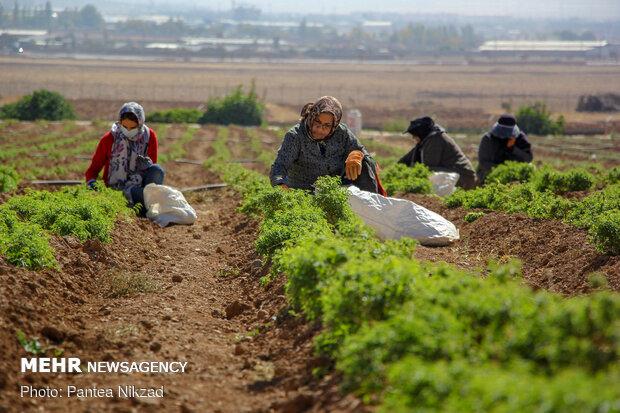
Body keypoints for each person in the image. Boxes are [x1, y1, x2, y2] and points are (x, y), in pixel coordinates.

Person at [270, 96, 386, 195]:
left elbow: (363, 152)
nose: (320, 129)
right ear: (311, 116)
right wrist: (281, 185)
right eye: (317, 122)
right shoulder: (295, 136)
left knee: (364, 164)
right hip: (304, 192)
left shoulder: (342, 133)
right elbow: (279, 166)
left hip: (334, 190)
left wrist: (356, 154)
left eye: (326, 125)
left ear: (334, 125)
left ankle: (369, 207)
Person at [85, 102, 165, 213]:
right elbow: (93, 170)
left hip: (139, 185)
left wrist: (147, 166)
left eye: (133, 127)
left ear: (140, 123)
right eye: (125, 127)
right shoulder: (109, 139)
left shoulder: (149, 136)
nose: (128, 130)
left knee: (157, 170)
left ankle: (145, 205)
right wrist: (92, 183)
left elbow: (152, 167)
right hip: (116, 189)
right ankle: (144, 206)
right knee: (146, 197)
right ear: (119, 122)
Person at [398, 116, 476, 189]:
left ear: (421, 133)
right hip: (453, 173)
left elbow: (426, 168)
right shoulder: (425, 141)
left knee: (425, 171)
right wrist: (396, 170)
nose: (413, 138)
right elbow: (405, 160)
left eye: (415, 135)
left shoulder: (436, 140)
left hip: (463, 177)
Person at [477, 114, 533, 184]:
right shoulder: (488, 139)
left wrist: (513, 148)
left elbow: (528, 158)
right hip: (491, 171)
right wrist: (503, 169)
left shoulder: (520, 138)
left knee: (530, 167)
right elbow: (483, 162)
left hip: (515, 172)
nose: (505, 135)